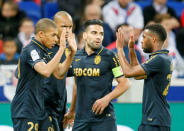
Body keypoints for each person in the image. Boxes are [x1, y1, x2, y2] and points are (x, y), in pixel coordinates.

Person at [11, 18, 77, 131]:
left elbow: (60, 72)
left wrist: (72, 53)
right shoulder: (31, 49)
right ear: (41, 34)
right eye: (53, 35)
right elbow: (45, 71)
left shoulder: (43, 52)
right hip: (25, 110)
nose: (56, 39)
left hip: (39, 110)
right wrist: (61, 48)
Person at [64, 19, 130, 131]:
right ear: (84, 36)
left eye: (101, 34)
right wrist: (72, 110)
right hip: (81, 119)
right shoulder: (76, 56)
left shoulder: (110, 56)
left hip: (104, 119)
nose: (98, 37)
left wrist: (106, 99)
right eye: (94, 33)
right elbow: (76, 85)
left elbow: (125, 83)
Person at [116, 23, 173, 131]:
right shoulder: (161, 58)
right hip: (155, 119)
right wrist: (132, 50)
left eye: (144, 37)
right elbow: (137, 75)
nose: (141, 40)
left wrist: (119, 49)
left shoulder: (159, 59)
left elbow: (128, 72)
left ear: (154, 39)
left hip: (154, 120)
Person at [43, 11, 75, 131]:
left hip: (59, 109)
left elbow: (74, 73)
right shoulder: (43, 48)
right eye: (63, 26)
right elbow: (58, 73)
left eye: (70, 27)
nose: (67, 30)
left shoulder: (67, 49)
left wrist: (70, 109)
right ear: (53, 26)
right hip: (43, 109)